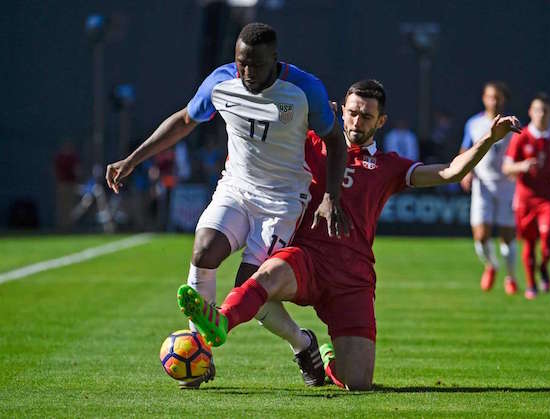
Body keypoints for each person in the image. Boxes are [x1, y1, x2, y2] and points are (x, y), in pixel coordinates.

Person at [177, 80, 521, 390]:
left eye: (367, 116)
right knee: (263, 277)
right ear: (342, 111)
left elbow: (449, 172)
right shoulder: (309, 144)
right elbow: (269, 130)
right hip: (305, 259)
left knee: (357, 384)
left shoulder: (389, 166)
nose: (357, 122)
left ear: (381, 122)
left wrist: (488, 140)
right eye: (353, 113)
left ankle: (325, 358)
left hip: (353, 279)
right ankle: (220, 322)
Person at [106, 23, 349, 387]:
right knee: (203, 251)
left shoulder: (304, 89)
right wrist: (133, 159)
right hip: (236, 187)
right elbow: (186, 120)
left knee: (250, 288)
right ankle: (199, 353)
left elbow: (335, 140)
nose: (247, 72)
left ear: (274, 60)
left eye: (255, 64)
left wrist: (330, 195)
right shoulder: (221, 81)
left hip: (281, 201)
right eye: (240, 63)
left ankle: (303, 344)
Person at [503, 93, 550, 300]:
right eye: (537, 110)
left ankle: (544, 266)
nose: (541, 114)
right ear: (530, 112)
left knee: (547, 242)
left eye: (545, 111)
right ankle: (531, 284)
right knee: (529, 243)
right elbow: (506, 167)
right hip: (525, 198)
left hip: (548, 198)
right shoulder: (521, 136)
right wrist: (522, 166)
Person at [460, 81, 518, 294]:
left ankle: (511, 277)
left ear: (504, 100)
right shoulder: (473, 124)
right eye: (490, 96)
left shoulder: (512, 123)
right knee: (481, 236)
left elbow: (520, 153)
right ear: (484, 98)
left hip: (507, 185)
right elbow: (465, 150)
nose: (494, 101)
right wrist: (466, 171)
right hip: (482, 184)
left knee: (507, 236)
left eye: (498, 97)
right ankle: (491, 265)